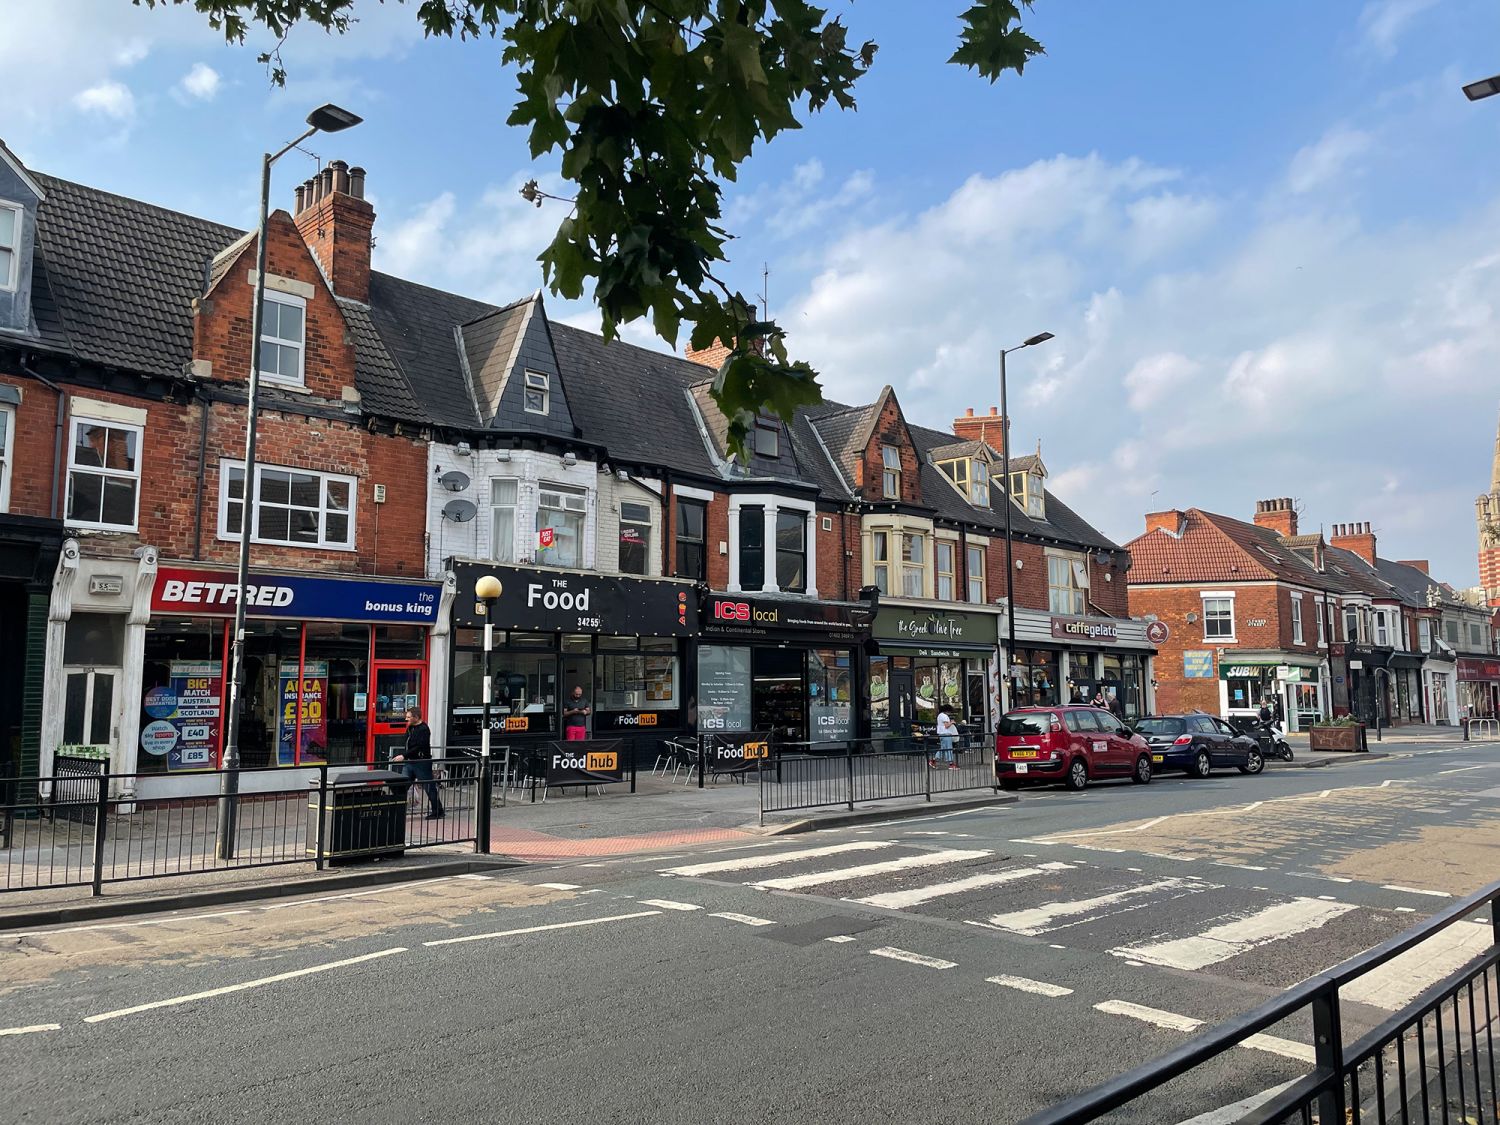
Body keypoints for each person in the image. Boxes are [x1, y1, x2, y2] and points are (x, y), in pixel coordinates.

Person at [391, 705, 443, 819]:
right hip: (410, 762)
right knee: (402, 785)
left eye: (409, 717)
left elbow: (419, 746)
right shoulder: (410, 728)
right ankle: (397, 809)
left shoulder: (423, 729)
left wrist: (404, 756)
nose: (406, 719)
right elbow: (408, 743)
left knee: (429, 787)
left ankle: (438, 811)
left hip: (421, 762)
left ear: (416, 717)